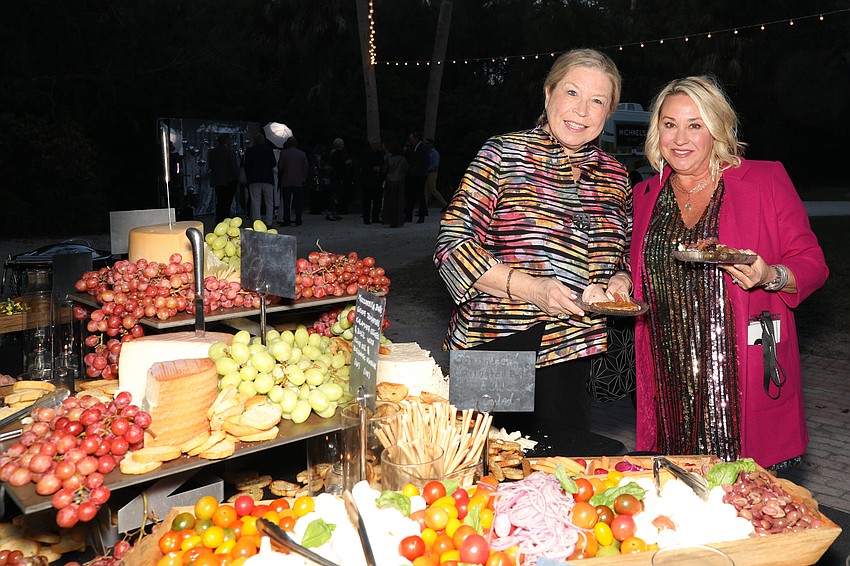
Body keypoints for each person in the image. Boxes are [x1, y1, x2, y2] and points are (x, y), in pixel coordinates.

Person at [631, 76, 829, 470]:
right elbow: (634, 268)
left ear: (716, 128)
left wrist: (769, 275)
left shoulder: (764, 180)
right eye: (669, 124)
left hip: (739, 377)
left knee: (750, 509)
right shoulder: (643, 197)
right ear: (657, 132)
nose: (680, 138)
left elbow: (812, 264)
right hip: (669, 385)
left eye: (695, 124)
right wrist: (620, 280)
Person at [433, 49, 632, 435]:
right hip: (496, 341)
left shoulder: (616, 175)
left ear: (609, 112)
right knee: (486, 473)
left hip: (574, 348)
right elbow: (451, 246)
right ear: (548, 94)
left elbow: (621, 253)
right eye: (572, 93)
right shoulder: (502, 153)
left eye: (597, 101)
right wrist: (532, 288)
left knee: (559, 472)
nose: (582, 111)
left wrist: (618, 283)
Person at [243, 133, 277, 226]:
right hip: (267, 178)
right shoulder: (269, 150)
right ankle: (269, 221)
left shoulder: (250, 151)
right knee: (269, 201)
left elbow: (246, 166)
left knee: (255, 202)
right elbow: (273, 163)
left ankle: (257, 222)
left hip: (254, 179)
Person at [208, 133, 239, 223]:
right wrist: (236, 177)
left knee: (220, 201)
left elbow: (211, 166)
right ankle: (226, 219)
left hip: (218, 180)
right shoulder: (230, 151)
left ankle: (219, 219)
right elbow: (233, 166)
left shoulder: (213, 152)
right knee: (227, 202)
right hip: (229, 180)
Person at [278, 137, 309, 226]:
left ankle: (286, 220)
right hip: (298, 181)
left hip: (286, 180)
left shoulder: (283, 154)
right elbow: (305, 167)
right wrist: (304, 177)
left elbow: (280, 167)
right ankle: (298, 219)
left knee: (286, 202)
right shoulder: (302, 154)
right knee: (298, 202)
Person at [360, 136, 386, 224]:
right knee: (367, 200)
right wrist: (372, 168)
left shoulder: (380, 154)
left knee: (377, 200)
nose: (379, 145)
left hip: (378, 180)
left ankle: (375, 217)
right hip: (368, 180)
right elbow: (363, 165)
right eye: (377, 143)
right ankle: (366, 218)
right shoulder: (366, 153)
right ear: (372, 144)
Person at [382, 141, 409, 228]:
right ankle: (399, 220)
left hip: (390, 180)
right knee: (400, 201)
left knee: (390, 202)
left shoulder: (389, 159)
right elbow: (406, 168)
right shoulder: (403, 159)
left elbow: (385, 169)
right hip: (400, 180)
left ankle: (391, 220)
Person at [405, 132, 429, 223]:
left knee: (420, 195)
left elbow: (425, 161)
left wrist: (423, 172)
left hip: (419, 175)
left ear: (416, 139)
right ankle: (408, 215)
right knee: (411, 195)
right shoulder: (412, 148)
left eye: (412, 139)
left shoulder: (422, 148)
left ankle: (421, 215)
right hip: (413, 174)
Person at [327, 138, 352, 221]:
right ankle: (334, 211)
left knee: (336, 194)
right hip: (338, 176)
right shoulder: (337, 154)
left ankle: (335, 211)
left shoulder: (335, 153)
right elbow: (337, 165)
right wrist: (345, 163)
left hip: (337, 176)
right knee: (336, 194)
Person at [423, 138, 448, 213]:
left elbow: (435, 165)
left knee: (433, 189)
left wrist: (427, 169)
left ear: (431, 144)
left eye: (428, 143)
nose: (426, 145)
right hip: (428, 172)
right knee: (426, 190)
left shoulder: (435, 153)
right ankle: (424, 207)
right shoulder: (428, 152)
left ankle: (444, 204)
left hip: (432, 172)